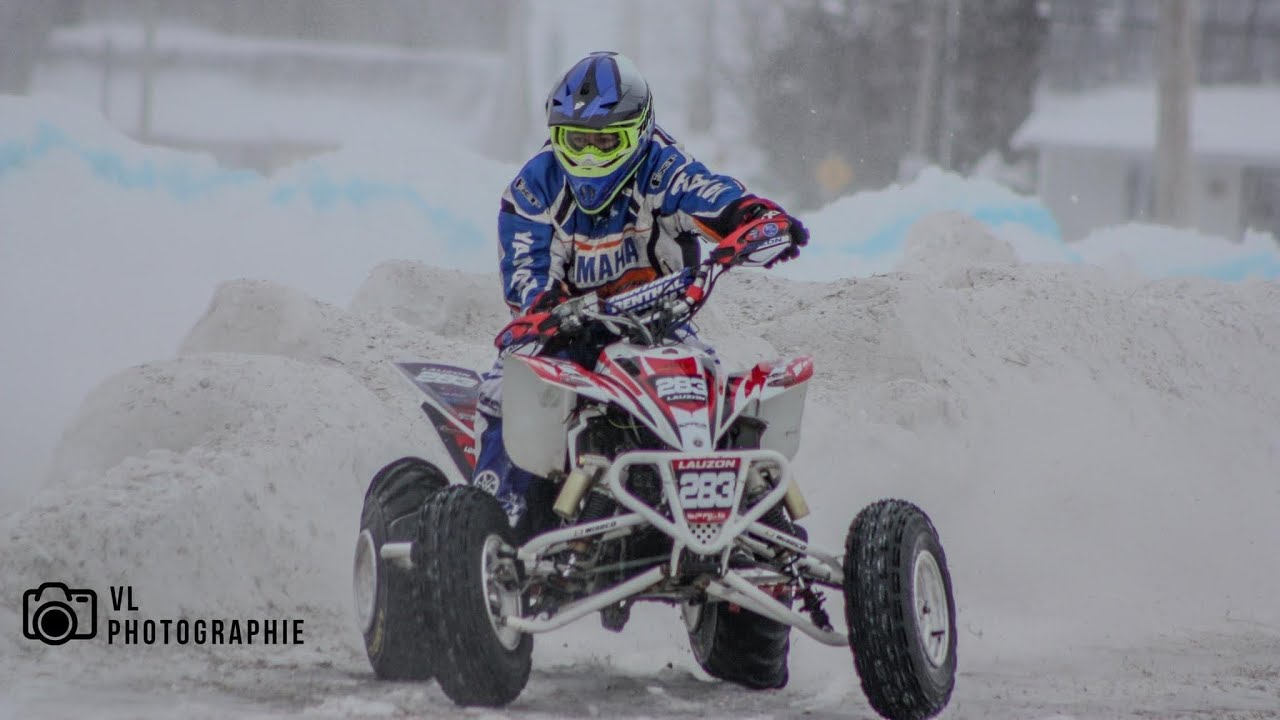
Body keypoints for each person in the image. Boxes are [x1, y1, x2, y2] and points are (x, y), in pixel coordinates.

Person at [474, 51, 808, 529]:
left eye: (605, 140)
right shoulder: (531, 190)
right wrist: (553, 315)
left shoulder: (663, 168)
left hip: (661, 330)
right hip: (564, 338)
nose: (589, 154)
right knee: (509, 393)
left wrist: (757, 220)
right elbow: (527, 279)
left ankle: (760, 524)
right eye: (577, 140)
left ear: (639, 133)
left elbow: (714, 195)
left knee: (724, 400)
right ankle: (496, 528)